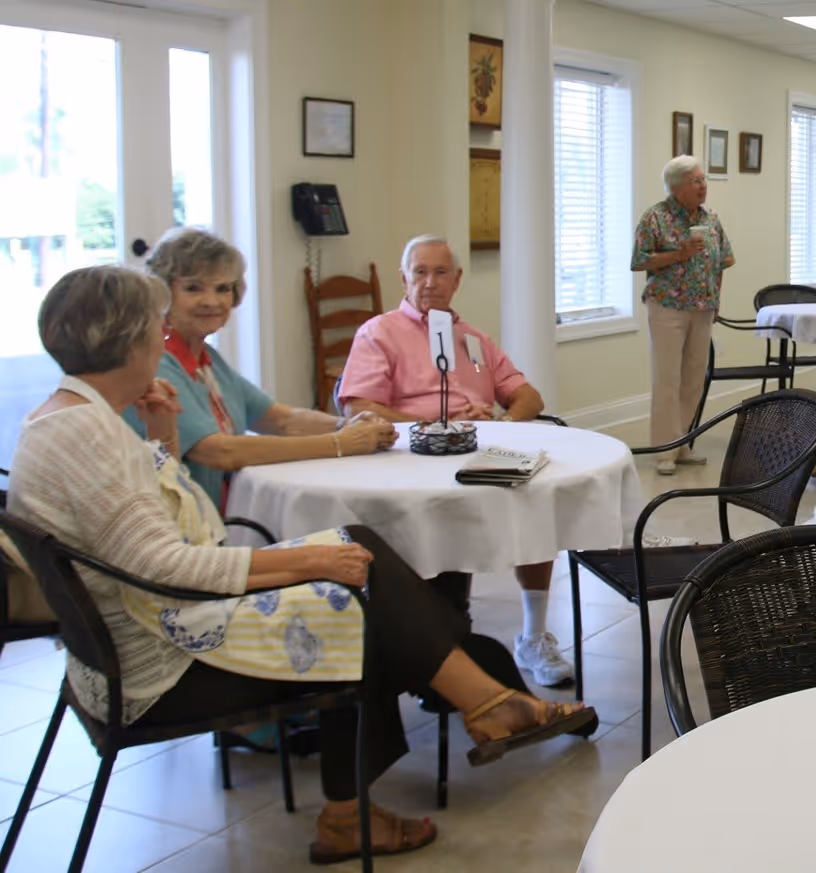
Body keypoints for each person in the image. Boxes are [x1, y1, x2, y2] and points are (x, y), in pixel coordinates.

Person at [9, 265, 597, 864]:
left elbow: (138, 523)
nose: (161, 340)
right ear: (133, 342)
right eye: (154, 331)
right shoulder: (86, 435)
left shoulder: (69, 418)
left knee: (358, 549)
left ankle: (477, 705)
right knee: (365, 601)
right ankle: (463, 717)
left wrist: (160, 435)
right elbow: (164, 566)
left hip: (142, 631)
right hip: (161, 661)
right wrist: (308, 562)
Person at [338, 235, 570, 688]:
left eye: (440, 272)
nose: (429, 282)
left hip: (479, 454)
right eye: (419, 272)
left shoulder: (473, 339)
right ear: (403, 277)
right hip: (411, 459)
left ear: (457, 280)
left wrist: (502, 422)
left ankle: (534, 634)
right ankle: (434, 641)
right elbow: (359, 409)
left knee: (539, 499)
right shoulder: (378, 334)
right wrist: (436, 422)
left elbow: (528, 396)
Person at [124, 227, 398, 512]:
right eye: (193, 288)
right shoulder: (157, 363)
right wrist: (339, 443)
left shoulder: (208, 359)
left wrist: (348, 425)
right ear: (164, 293)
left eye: (222, 289)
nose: (212, 301)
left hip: (228, 514)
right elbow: (218, 451)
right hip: (187, 530)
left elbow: (281, 419)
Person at [632, 155, 735, 476]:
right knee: (668, 379)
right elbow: (638, 260)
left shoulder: (711, 218)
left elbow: (723, 261)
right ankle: (664, 449)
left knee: (693, 379)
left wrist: (715, 299)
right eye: (696, 181)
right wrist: (678, 254)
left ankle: (682, 443)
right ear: (677, 188)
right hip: (667, 308)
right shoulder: (655, 218)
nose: (703, 185)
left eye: (703, 179)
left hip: (702, 308)